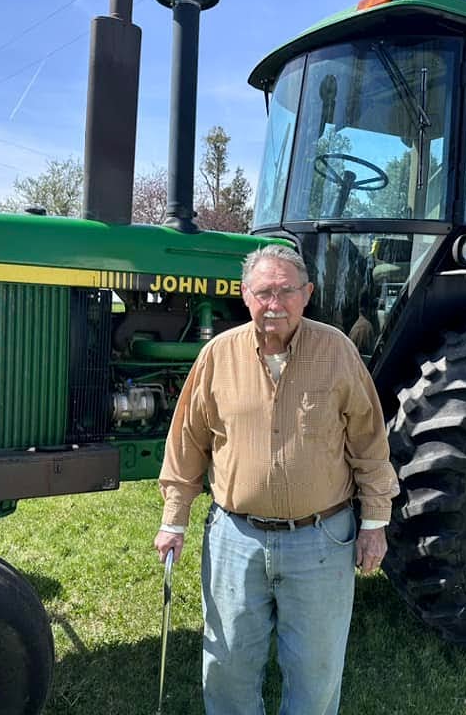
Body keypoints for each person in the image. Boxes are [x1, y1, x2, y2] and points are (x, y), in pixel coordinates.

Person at [153, 244, 398, 715]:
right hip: (235, 538)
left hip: (322, 538)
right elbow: (187, 442)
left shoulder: (337, 351)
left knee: (315, 673)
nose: (274, 304)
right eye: (264, 292)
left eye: (286, 291)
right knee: (227, 666)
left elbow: (369, 441)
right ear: (245, 295)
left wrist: (374, 522)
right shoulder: (217, 355)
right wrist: (173, 520)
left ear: (307, 294)